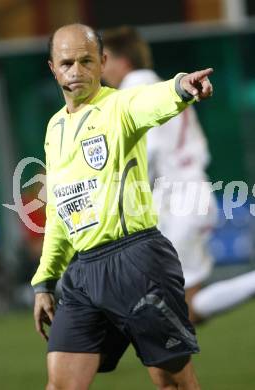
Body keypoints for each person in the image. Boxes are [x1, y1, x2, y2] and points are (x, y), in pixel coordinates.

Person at [31, 23, 213, 390]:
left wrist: (182, 87)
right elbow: (58, 211)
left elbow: (154, 99)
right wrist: (44, 281)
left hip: (137, 262)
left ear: (104, 61)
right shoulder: (54, 129)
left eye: (86, 60)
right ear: (53, 67)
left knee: (173, 383)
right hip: (83, 272)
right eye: (67, 62)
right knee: (61, 384)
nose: (76, 71)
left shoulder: (119, 106)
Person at [102, 26, 218, 324]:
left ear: (122, 61)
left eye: (105, 59)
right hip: (189, 194)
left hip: (179, 200)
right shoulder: (160, 85)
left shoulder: (133, 91)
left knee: (173, 312)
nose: (102, 69)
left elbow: (147, 152)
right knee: (179, 311)